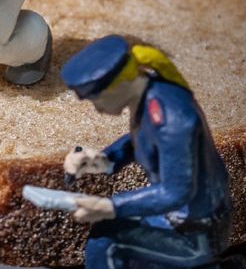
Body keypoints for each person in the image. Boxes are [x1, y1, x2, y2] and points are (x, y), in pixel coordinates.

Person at [61, 35, 235, 268]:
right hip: (181, 221)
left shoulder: (172, 121)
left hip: (195, 234)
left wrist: (111, 206)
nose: (98, 109)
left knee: (106, 241)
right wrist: (102, 160)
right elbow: (142, 141)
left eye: (97, 99)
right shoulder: (153, 93)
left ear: (121, 84)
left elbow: (175, 192)